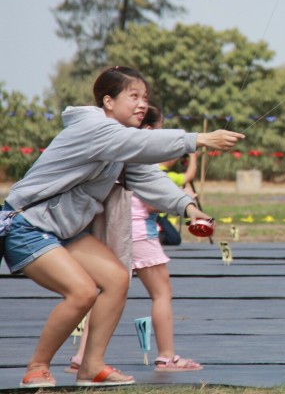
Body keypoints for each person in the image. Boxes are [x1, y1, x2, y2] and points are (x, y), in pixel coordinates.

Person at [1, 66, 243, 388]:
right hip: (27, 225)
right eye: (134, 96)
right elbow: (141, 144)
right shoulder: (94, 128)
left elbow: (150, 177)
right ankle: (37, 366)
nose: (143, 104)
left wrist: (190, 209)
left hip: (65, 231)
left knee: (117, 278)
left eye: (145, 97)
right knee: (82, 292)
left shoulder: (119, 145)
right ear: (108, 102)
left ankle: (91, 367)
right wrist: (197, 139)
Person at [66, 104, 204, 374]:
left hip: (115, 230)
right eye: (160, 130)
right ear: (149, 131)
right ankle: (167, 356)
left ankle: (82, 356)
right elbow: (151, 204)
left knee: (105, 293)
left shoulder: (118, 153)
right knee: (161, 293)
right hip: (139, 234)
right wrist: (186, 201)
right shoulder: (142, 160)